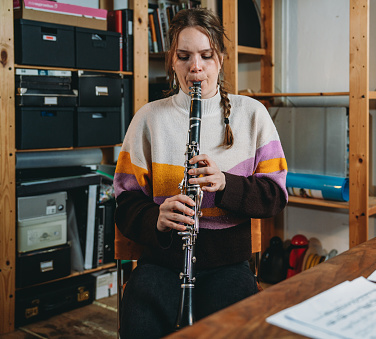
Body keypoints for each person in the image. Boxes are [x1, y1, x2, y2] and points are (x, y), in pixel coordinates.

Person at [113, 8, 288, 339]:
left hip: (228, 264)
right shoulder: (149, 118)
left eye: (206, 56)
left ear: (220, 59)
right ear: (173, 62)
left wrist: (225, 185)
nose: (196, 67)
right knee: (139, 321)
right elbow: (124, 202)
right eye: (184, 56)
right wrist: (156, 218)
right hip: (161, 263)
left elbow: (275, 196)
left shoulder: (253, 115)